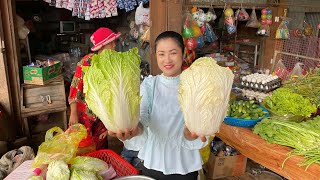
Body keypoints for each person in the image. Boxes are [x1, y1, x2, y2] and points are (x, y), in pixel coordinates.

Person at [108, 31, 208, 180]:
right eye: (161, 54)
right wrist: (134, 130)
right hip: (154, 159)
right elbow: (142, 119)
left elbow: (200, 124)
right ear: (155, 56)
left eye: (173, 53)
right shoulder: (150, 84)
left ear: (183, 52)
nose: (167, 59)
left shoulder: (194, 85)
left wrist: (189, 135)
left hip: (185, 161)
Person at [68, 27, 121, 150]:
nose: (114, 46)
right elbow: (75, 87)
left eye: (114, 42)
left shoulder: (113, 64)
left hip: (103, 116)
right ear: (102, 46)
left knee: (100, 147)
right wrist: (73, 113)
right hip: (84, 115)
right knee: (82, 146)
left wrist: (111, 124)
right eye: (111, 42)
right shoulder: (87, 62)